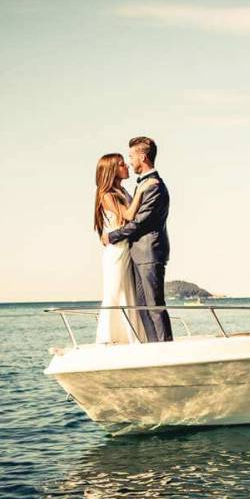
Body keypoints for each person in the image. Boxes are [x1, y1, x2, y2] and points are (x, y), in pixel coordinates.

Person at [106, 136, 173, 342]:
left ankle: (165, 348)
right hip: (137, 253)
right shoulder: (144, 184)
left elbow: (140, 223)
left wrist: (112, 236)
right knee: (142, 307)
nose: (130, 161)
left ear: (143, 157)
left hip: (149, 253)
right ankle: (154, 349)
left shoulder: (154, 186)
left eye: (131, 156)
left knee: (154, 306)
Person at [92, 154, 159, 344]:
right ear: (112, 170)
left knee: (128, 291)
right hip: (116, 250)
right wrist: (141, 190)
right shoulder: (107, 195)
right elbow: (129, 215)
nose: (127, 166)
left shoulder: (120, 190)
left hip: (125, 247)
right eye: (122, 164)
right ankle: (110, 338)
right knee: (116, 290)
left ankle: (132, 336)